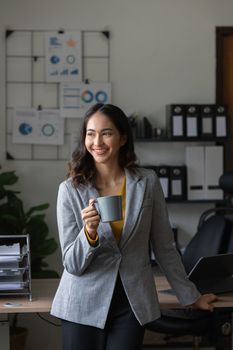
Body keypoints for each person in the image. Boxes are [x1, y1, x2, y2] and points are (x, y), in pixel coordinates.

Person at [51, 103, 218, 350]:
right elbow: (72, 265)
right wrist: (89, 234)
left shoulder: (147, 182)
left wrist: (191, 296)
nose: (97, 141)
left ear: (122, 138)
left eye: (106, 133)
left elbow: (164, 247)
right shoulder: (70, 190)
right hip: (81, 304)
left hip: (132, 304)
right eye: (91, 133)